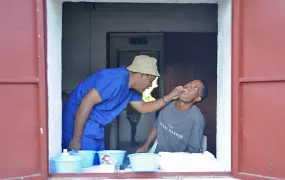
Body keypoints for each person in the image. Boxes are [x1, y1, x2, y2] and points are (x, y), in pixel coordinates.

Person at [62, 55, 184, 151]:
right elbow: (86, 102)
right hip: (79, 127)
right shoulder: (116, 79)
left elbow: (143, 108)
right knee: (86, 169)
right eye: (150, 80)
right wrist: (76, 139)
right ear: (142, 75)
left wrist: (170, 96)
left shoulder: (131, 89)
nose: (150, 85)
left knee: (96, 167)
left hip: (94, 128)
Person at [136, 80, 208, 154]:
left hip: (178, 160)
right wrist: (146, 145)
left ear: (198, 98)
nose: (188, 86)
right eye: (189, 83)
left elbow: (194, 150)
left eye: (195, 87)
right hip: (159, 155)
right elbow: (156, 126)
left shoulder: (197, 118)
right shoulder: (167, 106)